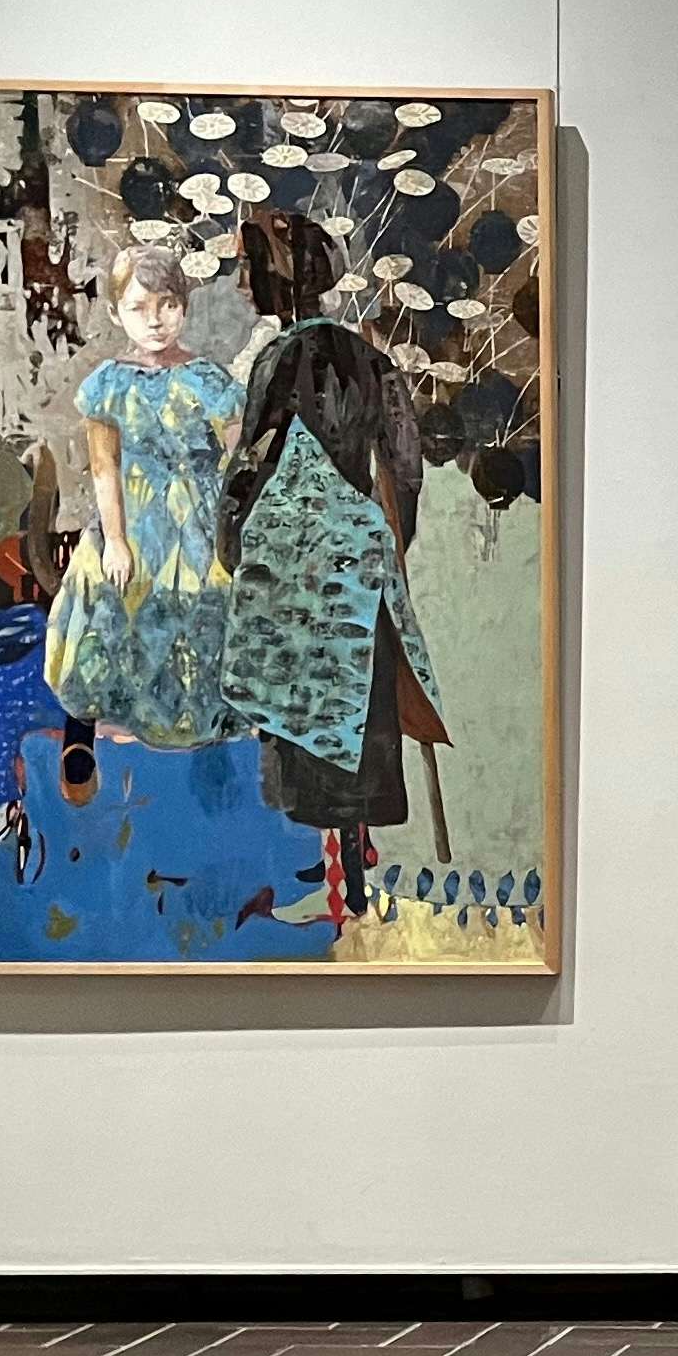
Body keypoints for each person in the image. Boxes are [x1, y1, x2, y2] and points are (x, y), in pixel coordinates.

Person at [218, 218, 450, 919]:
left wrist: (233, 543)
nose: (242, 286)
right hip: (361, 566)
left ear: (274, 279)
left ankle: (337, 883)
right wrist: (389, 544)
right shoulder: (372, 360)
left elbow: (252, 463)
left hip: (297, 573)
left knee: (309, 725)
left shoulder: (279, 359)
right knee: (363, 716)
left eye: (249, 273)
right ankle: (356, 872)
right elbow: (404, 466)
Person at [41, 245, 243, 762]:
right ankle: (84, 731)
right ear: (116, 314)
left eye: (167, 305)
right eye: (138, 308)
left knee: (208, 596)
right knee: (103, 593)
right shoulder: (108, 385)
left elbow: (239, 459)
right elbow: (104, 467)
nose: (155, 321)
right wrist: (115, 540)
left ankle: (207, 725)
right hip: (131, 515)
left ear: (184, 307)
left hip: (200, 515)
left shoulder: (209, 379)